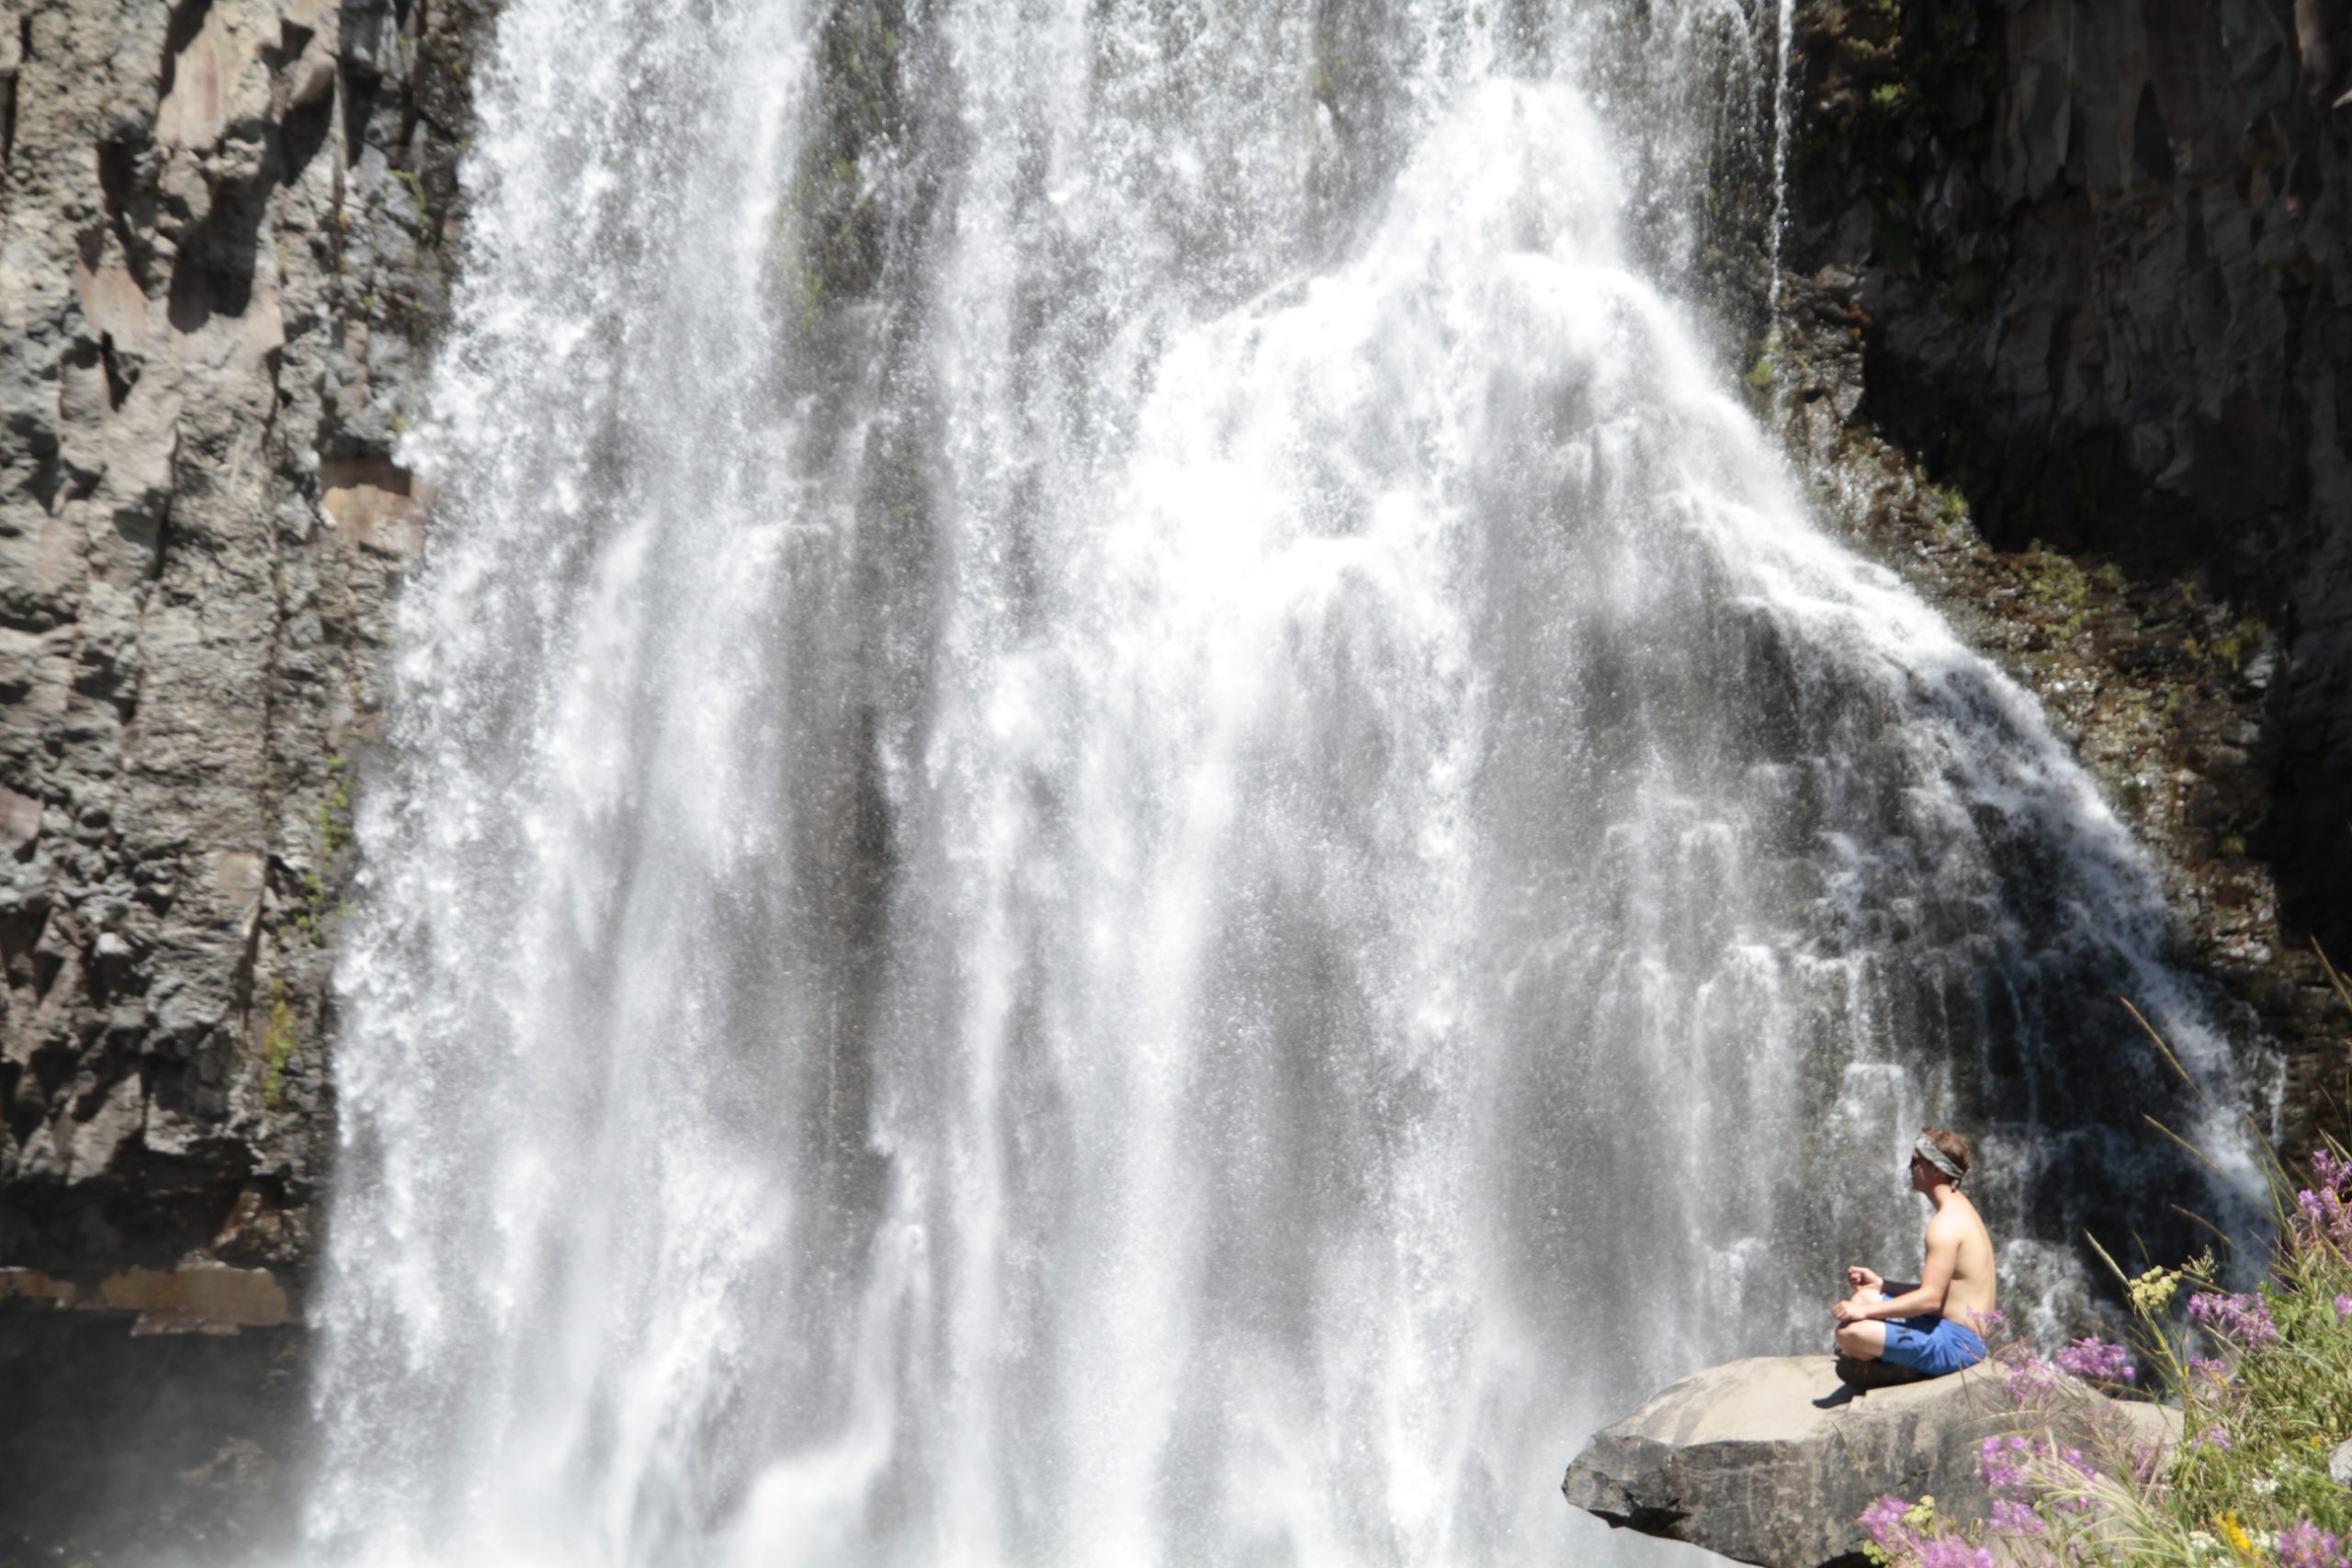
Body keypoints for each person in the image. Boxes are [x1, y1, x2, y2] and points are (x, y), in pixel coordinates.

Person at [1831, 1126, 1996, 1384]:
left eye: (1915, 1161)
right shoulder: (1962, 1211)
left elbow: (1930, 1299)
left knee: (1849, 1333)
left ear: (1936, 1170)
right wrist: (1883, 1285)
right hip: (1943, 1326)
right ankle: (1894, 1359)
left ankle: (1902, 1368)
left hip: (1958, 1345)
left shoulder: (1946, 1224)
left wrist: (1865, 1313)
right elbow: (1941, 1294)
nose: (1910, 1168)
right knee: (1865, 1296)